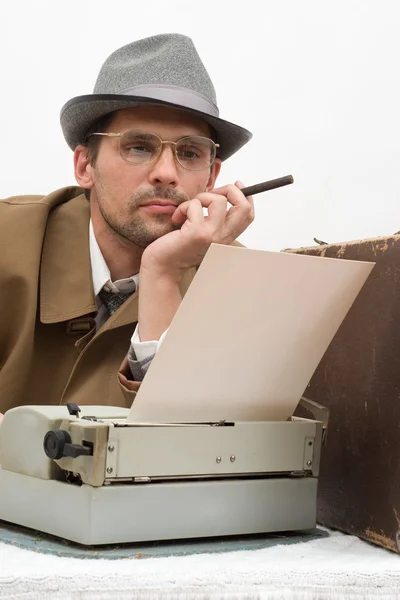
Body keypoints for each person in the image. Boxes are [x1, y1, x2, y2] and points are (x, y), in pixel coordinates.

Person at [0, 33, 254, 420]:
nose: (167, 174)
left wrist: (164, 276)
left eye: (189, 153)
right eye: (138, 147)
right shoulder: (7, 239)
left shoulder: (239, 285)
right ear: (85, 166)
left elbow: (186, 454)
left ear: (210, 176)